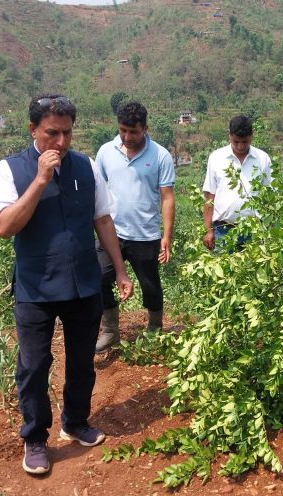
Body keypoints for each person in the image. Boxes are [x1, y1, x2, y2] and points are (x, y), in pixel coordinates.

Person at [0, 93, 133, 475]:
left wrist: (119, 270)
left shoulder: (86, 166)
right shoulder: (9, 170)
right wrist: (40, 179)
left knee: (83, 361)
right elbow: (4, 227)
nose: (61, 142)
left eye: (67, 133)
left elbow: (102, 220)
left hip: (83, 283)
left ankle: (76, 421)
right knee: (34, 366)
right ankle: (35, 438)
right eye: (52, 133)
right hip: (35, 288)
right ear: (33, 129)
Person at [94, 102, 175, 351]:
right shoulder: (106, 152)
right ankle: (110, 330)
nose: (128, 137)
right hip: (112, 233)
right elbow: (98, 191)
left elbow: (168, 198)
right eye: (123, 131)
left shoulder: (160, 155)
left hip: (145, 234)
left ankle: (154, 328)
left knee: (150, 284)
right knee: (97, 277)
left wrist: (166, 236)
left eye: (134, 132)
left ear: (145, 129)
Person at [202, 115, 272, 251]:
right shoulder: (216, 158)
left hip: (255, 231)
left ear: (252, 135)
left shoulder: (262, 159)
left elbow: (270, 196)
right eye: (236, 142)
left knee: (255, 271)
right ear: (229, 135)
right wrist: (209, 231)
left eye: (244, 142)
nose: (240, 146)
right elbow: (209, 196)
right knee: (224, 271)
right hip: (223, 230)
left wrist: (271, 230)